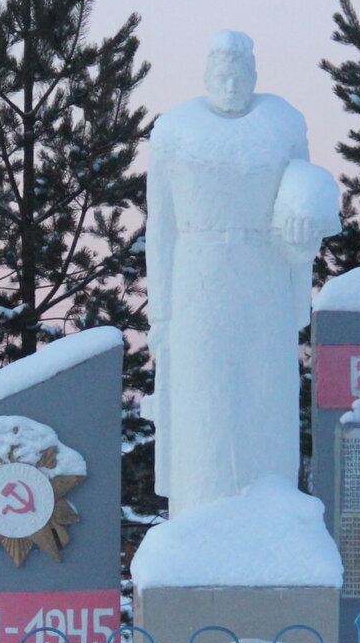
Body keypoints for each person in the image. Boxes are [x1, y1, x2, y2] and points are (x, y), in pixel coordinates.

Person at [144, 30, 339, 517]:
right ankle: (199, 508)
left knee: (265, 387)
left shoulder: (283, 125)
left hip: (262, 272)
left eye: (240, 76)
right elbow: (160, 228)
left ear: (253, 77)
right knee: (201, 393)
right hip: (197, 273)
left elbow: (301, 212)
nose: (231, 85)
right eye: (222, 76)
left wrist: (302, 231)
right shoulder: (175, 132)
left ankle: (269, 503)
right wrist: (161, 314)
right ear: (208, 77)